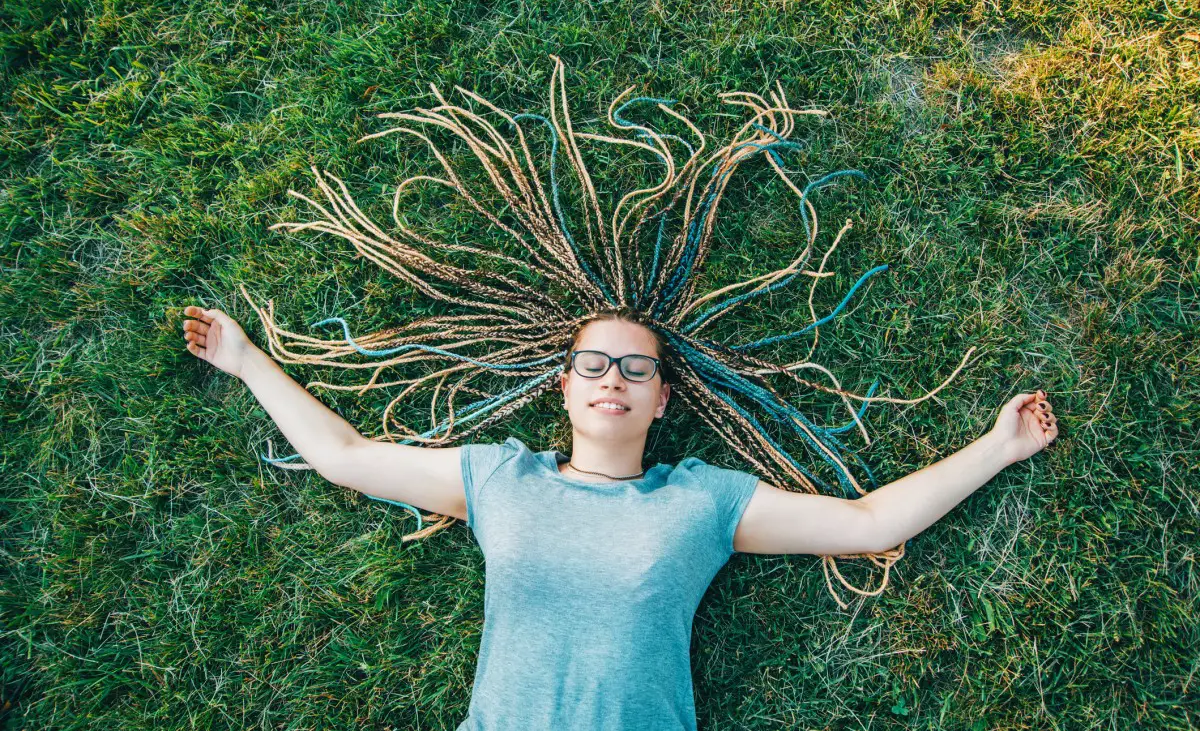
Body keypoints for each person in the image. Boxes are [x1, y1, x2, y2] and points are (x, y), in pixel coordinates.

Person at [180, 300, 1059, 730]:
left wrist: (996, 448)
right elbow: (345, 458)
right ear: (563, 386)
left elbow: (869, 523)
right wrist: (246, 358)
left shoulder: (702, 500)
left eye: (636, 369)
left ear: (663, 399)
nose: (612, 379)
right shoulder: (499, 479)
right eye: (594, 364)